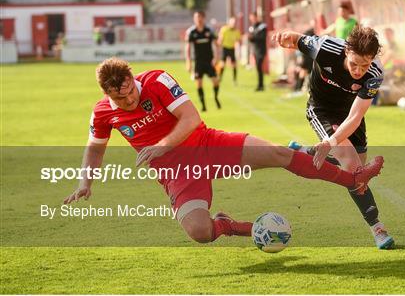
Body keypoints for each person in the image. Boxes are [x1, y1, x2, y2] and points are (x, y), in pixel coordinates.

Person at [63, 57, 384, 244]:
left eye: (131, 93)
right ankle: (227, 225)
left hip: (208, 145)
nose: (129, 101)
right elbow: (95, 149)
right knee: (200, 233)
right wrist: (85, 183)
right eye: (121, 100)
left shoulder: (158, 80)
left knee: (278, 154)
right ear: (107, 95)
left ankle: (352, 180)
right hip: (177, 173)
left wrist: (161, 146)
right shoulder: (103, 112)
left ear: (133, 79)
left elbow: (191, 119)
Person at [273, 26, 394, 250]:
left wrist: (330, 143)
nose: (358, 70)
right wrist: (285, 38)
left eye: (364, 65)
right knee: (354, 168)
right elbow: (296, 39)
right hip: (321, 110)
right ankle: (377, 227)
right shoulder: (325, 48)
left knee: (353, 169)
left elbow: (356, 116)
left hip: (349, 115)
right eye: (354, 63)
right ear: (346, 51)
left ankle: (304, 154)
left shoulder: (374, 74)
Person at [185, 10, 221, 111]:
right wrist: (188, 62)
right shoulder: (191, 32)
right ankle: (203, 105)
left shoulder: (209, 30)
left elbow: (216, 45)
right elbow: (187, 47)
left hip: (209, 61)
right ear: (194, 19)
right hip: (198, 62)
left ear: (203, 18)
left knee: (215, 81)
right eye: (196, 18)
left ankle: (216, 97)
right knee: (199, 83)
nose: (198, 19)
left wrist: (216, 58)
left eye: (200, 17)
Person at [218, 16, 242, 85]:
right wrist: (219, 42)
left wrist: (239, 49)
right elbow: (220, 39)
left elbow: (238, 41)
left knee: (234, 65)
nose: (233, 24)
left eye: (234, 23)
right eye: (232, 22)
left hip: (232, 48)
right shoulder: (224, 29)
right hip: (225, 48)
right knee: (222, 64)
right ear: (229, 23)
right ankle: (220, 78)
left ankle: (234, 80)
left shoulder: (237, 31)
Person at [247, 12, 267, 91]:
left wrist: (253, 37)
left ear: (256, 17)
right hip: (255, 50)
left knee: (259, 66)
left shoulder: (262, 27)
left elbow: (262, 37)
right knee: (258, 68)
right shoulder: (252, 27)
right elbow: (251, 39)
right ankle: (260, 85)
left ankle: (261, 85)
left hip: (261, 50)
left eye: (253, 17)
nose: (252, 19)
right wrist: (250, 38)